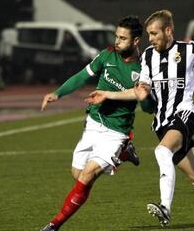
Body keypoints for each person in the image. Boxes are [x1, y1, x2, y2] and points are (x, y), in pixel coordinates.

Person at [86, 9, 194, 227]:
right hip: (162, 123)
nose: (150, 39)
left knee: (162, 151)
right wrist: (108, 94)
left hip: (185, 114)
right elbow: (140, 90)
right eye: (148, 34)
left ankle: (165, 208)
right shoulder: (148, 56)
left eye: (154, 34)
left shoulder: (188, 50)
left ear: (168, 31)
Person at [39, 16, 143, 231]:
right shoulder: (107, 55)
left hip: (116, 132)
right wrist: (58, 93)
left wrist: (139, 95)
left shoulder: (144, 68)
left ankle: (54, 225)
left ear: (136, 41)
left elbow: (149, 106)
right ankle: (125, 153)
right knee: (77, 175)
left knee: (86, 176)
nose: (117, 41)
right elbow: (81, 76)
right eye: (117, 36)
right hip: (93, 123)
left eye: (123, 38)